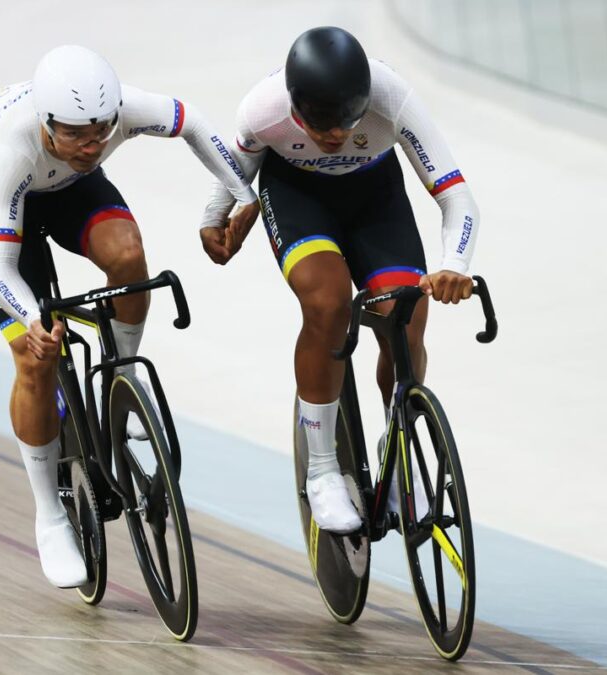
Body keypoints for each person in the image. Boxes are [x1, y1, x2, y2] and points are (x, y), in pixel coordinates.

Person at [0, 45, 259, 587]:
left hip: (68, 188)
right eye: (76, 134)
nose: (92, 144)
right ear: (48, 123)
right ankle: (49, 514)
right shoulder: (11, 148)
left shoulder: (121, 113)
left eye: (101, 131)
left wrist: (239, 196)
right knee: (33, 356)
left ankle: (121, 374)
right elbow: (1, 268)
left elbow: (192, 123)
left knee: (127, 255)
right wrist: (33, 320)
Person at [200, 27, 480, 533]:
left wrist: (453, 266)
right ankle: (323, 468)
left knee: (406, 318)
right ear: (293, 105)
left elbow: (456, 197)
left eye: (347, 123)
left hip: (376, 200)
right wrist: (214, 217)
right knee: (328, 305)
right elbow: (235, 170)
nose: (334, 137)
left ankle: (397, 454)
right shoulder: (262, 108)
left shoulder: (392, 97)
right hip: (298, 198)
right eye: (320, 126)